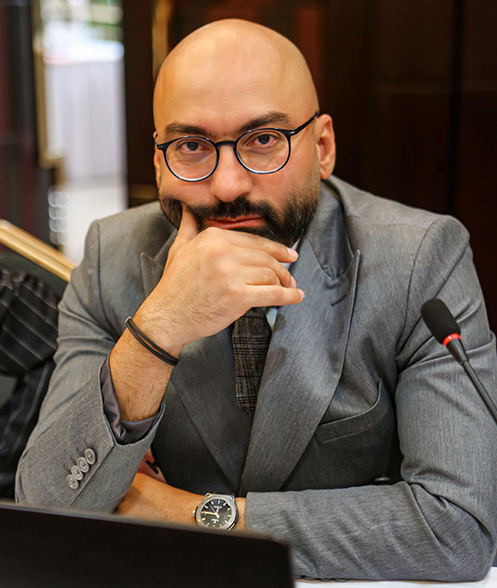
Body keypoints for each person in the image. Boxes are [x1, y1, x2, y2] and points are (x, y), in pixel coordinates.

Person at [15, 19, 497, 581]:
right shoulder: (110, 259)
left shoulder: (420, 260)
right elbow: (45, 510)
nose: (226, 186)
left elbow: (458, 526)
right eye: (191, 146)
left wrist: (190, 516)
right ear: (158, 161)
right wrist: (159, 329)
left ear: (322, 147)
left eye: (263, 140)